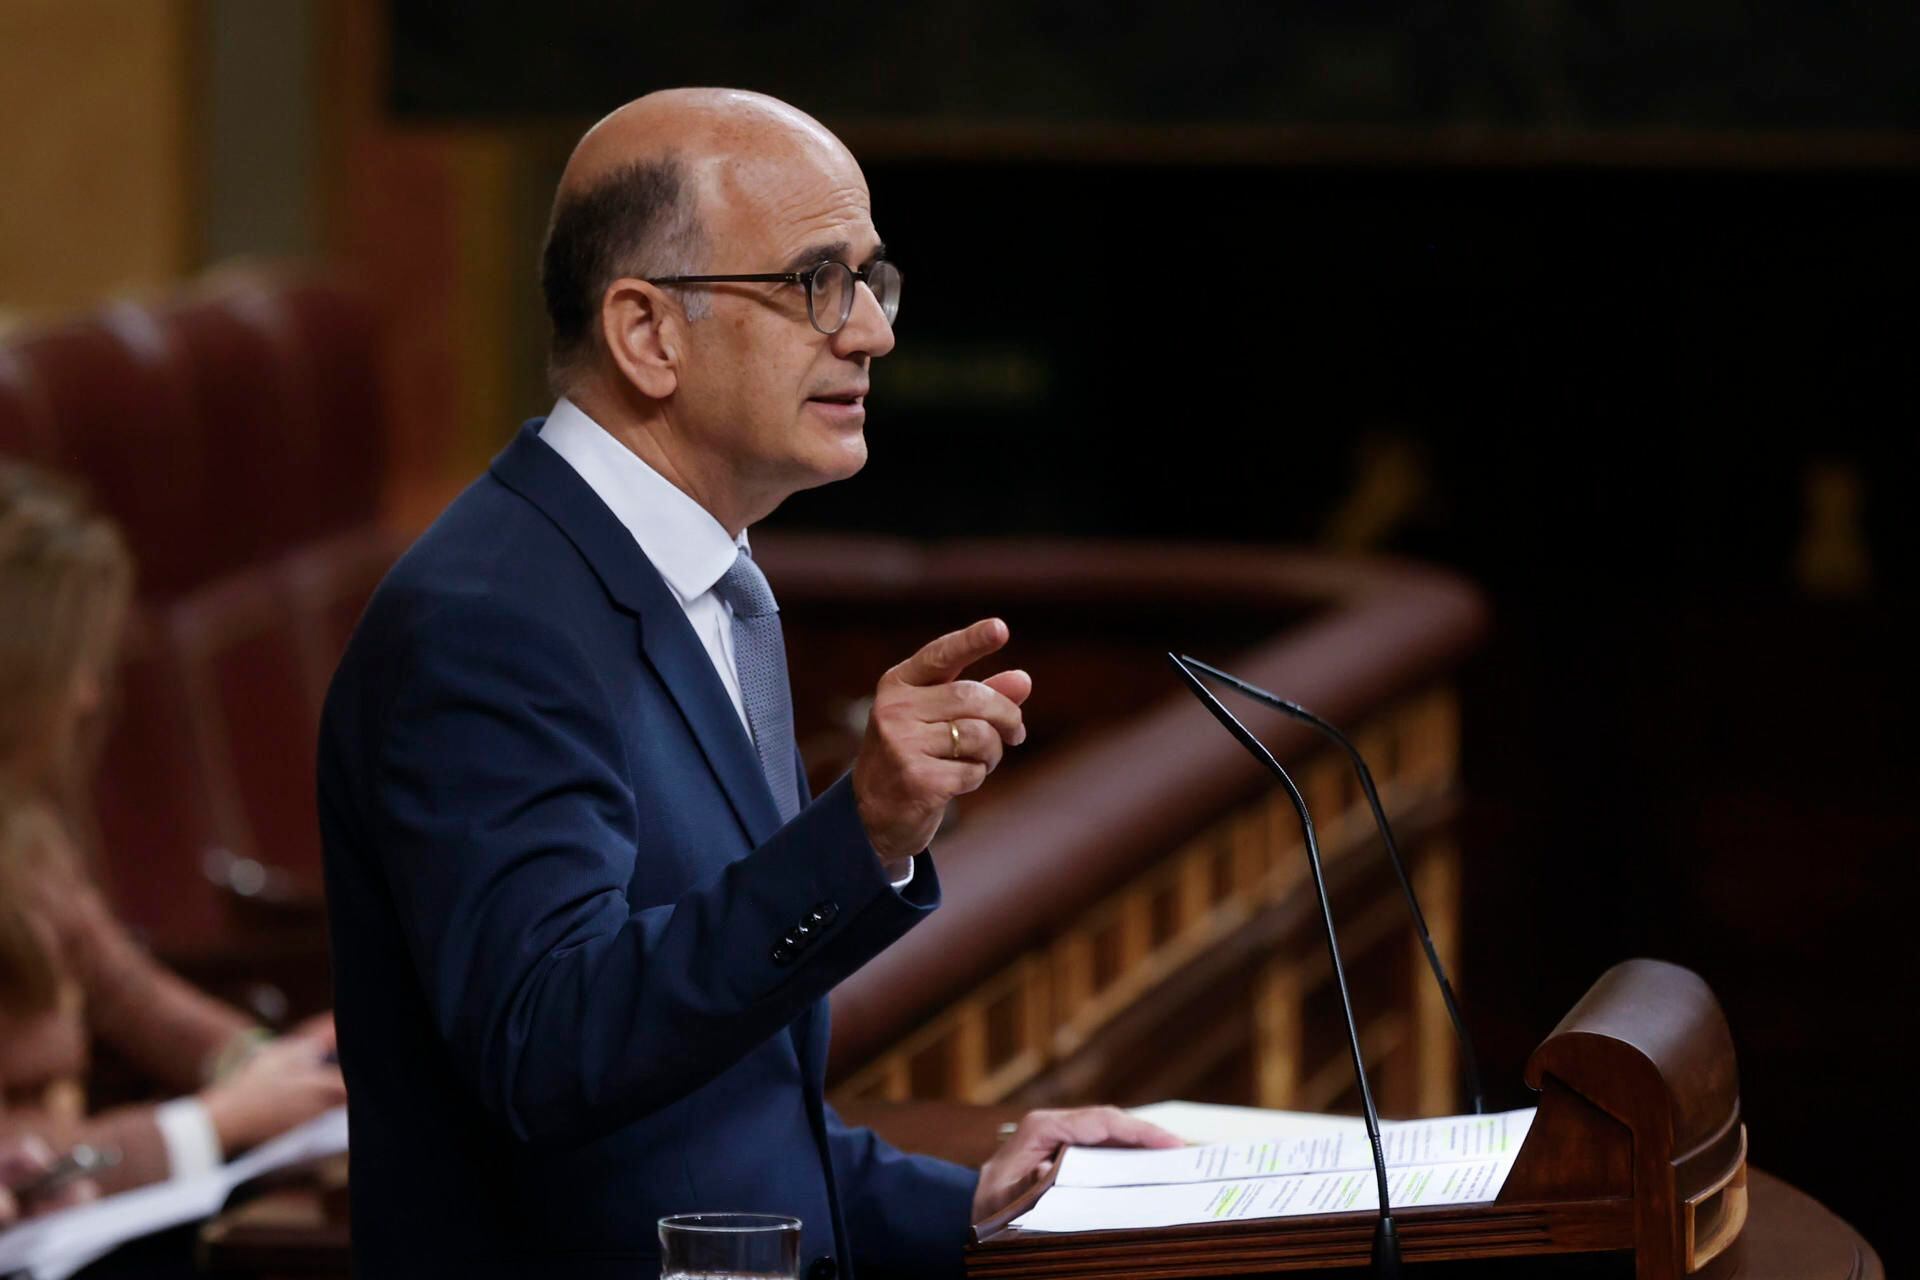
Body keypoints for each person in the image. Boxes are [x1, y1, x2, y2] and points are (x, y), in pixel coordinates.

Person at [319, 87, 1178, 1278]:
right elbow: (547, 1047)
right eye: (816, 281)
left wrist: (962, 1199)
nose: (871, 331)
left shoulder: (711, 586)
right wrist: (859, 833)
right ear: (647, 333)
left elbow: (709, 1111)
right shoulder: (488, 620)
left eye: (874, 280)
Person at [0, 464, 346, 1198]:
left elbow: (126, 991)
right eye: (72, 665)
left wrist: (263, 1062)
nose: (91, 695)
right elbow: (17, 1166)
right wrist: (216, 1122)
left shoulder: (25, 828)